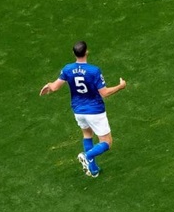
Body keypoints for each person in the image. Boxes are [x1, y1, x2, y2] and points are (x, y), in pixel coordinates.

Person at [39, 40, 126, 178]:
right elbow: (104, 93)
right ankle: (87, 155)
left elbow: (54, 87)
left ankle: (93, 169)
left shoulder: (67, 69)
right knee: (107, 142)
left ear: (73, 53)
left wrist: (48, 85)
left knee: (87, 135)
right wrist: (120, 86)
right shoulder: (93, 71)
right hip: (95, 110)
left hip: (78, 110)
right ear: (86, 52)